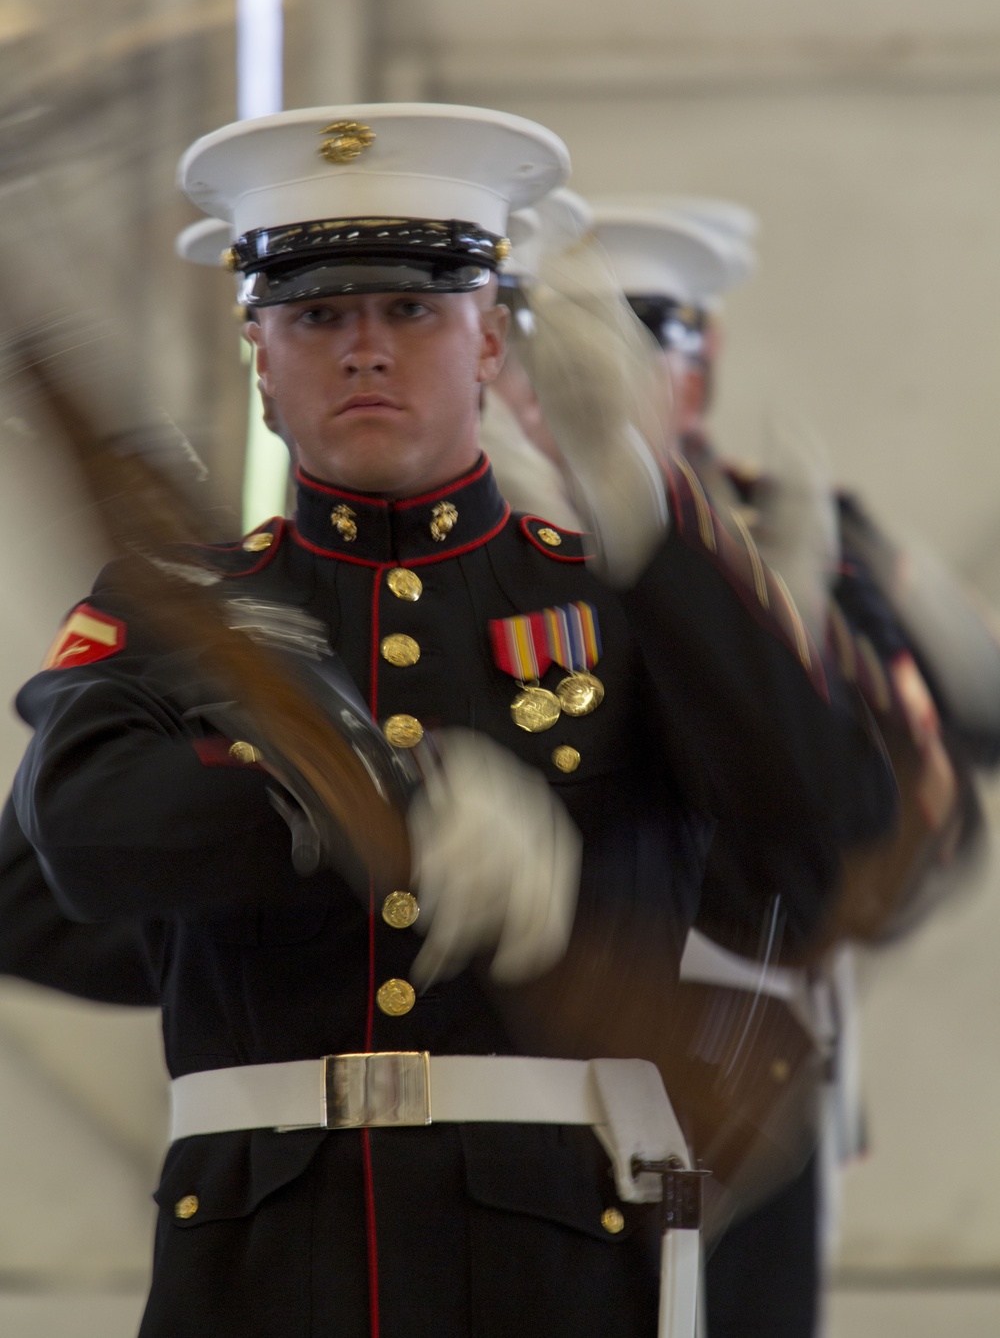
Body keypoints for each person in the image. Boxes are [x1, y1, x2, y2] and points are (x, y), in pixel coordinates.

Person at [10, 103, 896, 1338]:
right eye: (317, 315)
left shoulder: (616, 598)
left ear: (490, 344)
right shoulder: (178, 613)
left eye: (413, 309)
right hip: (257, 1261)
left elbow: (823, 834)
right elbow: (79, 834)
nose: (365, 348)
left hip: (558, 1261)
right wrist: (326, 799)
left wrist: (649, 518)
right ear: (259, 357)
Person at [590, 197, 995, 1338]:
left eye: (644, 349)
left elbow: (951, 748)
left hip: (751, 1033)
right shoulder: (506, 536)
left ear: (700, 367)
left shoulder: (794, 527)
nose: (603, 385)